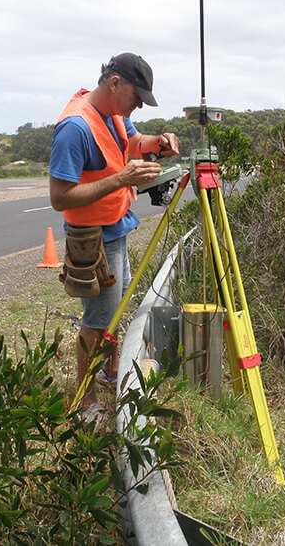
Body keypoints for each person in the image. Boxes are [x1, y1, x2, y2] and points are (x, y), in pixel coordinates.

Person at [48, 53, 180, 422]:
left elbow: (136, 142)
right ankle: (85, 402)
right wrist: (122, 179)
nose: (138, 105)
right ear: (114, 83)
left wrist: (161, 141)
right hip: (92, 237)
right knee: (97, 319)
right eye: (136, 97)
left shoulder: (115, 115)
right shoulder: (75, 127)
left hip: (116, 227)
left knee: (113, 309)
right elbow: (59, 198)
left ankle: (110, 371)